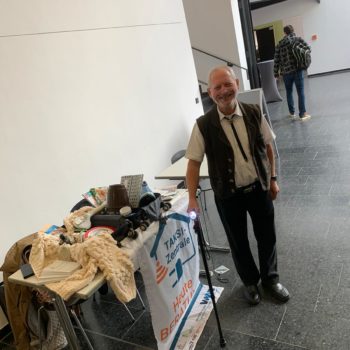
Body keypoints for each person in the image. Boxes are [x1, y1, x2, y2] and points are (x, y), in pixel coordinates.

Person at [185, 66, 289, 305]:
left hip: (259, 188)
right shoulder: (203, 124)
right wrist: (192, 198)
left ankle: (271, 280)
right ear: (210, 93)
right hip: (228, 195)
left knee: (267, 236)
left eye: (227, 84)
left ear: (237, 84)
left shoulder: (254, 112)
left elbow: (269, 149)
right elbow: (193, 164)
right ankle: (250, 282)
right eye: (217, 87)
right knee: (238, 241)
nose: (223, 91)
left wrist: (272, 179)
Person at [274, 25, 311, 121]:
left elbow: (276, 59)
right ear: (293, 31)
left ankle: (291, 112)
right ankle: (302, 114)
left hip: (286, 73)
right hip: (297, 70)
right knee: (300, 92)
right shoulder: (298, 39)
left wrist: (276, 73)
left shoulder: (280, 44)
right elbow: (308, 49)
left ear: (285, 33)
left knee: (289, 92)